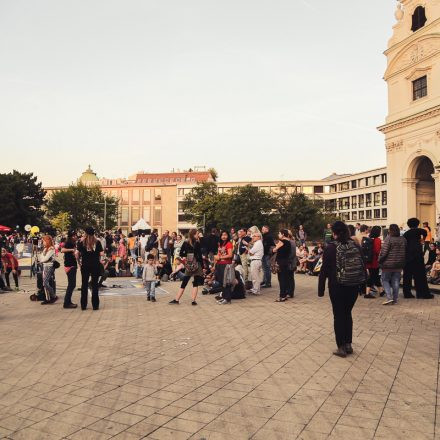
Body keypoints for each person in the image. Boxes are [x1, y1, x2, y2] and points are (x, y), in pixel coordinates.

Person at [318, 221, 366, 358]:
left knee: (338, 315)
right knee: (347, 313)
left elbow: (324, 270)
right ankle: (348, 344)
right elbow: (362, 266)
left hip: (337, 285)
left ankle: (341, 347)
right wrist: (362, 286)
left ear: (334, 233)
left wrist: (321, 290)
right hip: (353, 285)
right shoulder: (355, 245)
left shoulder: (331, 248)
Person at [169, 229, 204, 305]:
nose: (198, 235)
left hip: (188, 264)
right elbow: (200, 256)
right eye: (197, 234)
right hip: (196, 264)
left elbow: (181, 253)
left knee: (185, 281)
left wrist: (187, 256)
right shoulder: (197, 243)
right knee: (196, 282)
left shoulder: (185, 242)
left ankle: (177, 299)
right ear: (194, 234)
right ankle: (193, 301)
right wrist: (203, 266)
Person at [403, 218, 434, 299]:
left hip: (408, 256)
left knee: (407, 276)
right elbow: (425, 232)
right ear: (417, 224)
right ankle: (422, 293)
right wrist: (422, 239)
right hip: (417, 256)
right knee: (420, 275)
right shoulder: (419, 230)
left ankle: (407, 293)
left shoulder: (406, 234)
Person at [77, 227, 104, 310]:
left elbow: (77, 253)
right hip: (95, 265)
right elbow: (102, 253)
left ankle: (83, 305)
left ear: (86, 233)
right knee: (95, 285)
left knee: (84, 284)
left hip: (85, 265)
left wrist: (79, 262)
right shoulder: (97, 242)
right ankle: (95, 305)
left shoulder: (82, 242)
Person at [379, 224, 406, 305]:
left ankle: (389, 297)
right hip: (399, 264)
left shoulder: (388, 239)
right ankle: (395, 299)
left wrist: (380, 260)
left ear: (390, 230)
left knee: (385, 280)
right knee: (396, 281)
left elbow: (384, 252)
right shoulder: (403, 239)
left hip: (388, 264)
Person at [364, 226, 384, 298]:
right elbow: (377, 251)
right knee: (372, 276)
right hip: (375, 261)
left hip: (369, 260)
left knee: (375, 276)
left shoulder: (369, 239)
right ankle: (367, 293)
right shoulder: (377, 240)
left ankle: (381, 291)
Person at [273, 229, 292, 302]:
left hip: (281, 262)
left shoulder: (282, 241)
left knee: (281, 279)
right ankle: (285, 294)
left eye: (279, 233)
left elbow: (274, 250)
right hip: (286, 262)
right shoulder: (289, 242)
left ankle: (282, 296)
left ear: (283, 234)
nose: (278, 235)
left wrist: (276, 247)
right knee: (285, 278)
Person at [61, 230, 78, 309]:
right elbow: (62, 250)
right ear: (71, 236)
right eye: (74, 236)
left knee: (72, 285)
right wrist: (72, 250)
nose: (76, 237)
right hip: (70, 266)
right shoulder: (68, 242)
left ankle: (68, 301)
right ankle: (66, 303)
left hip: (72, 265)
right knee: (71, 285)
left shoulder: (72, 243)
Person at [38, 235, 57, 304]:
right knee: (44, 283)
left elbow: (45, 258)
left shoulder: (51, 249)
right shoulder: (45, 249)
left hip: (49, 266)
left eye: (43, 241)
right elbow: (41, 257)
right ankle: (48, 298)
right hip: (45, 266)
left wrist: (42, 260)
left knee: (45, 283)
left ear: (47, 241)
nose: (43, 242)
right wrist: (43, 260)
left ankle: (53, 296)